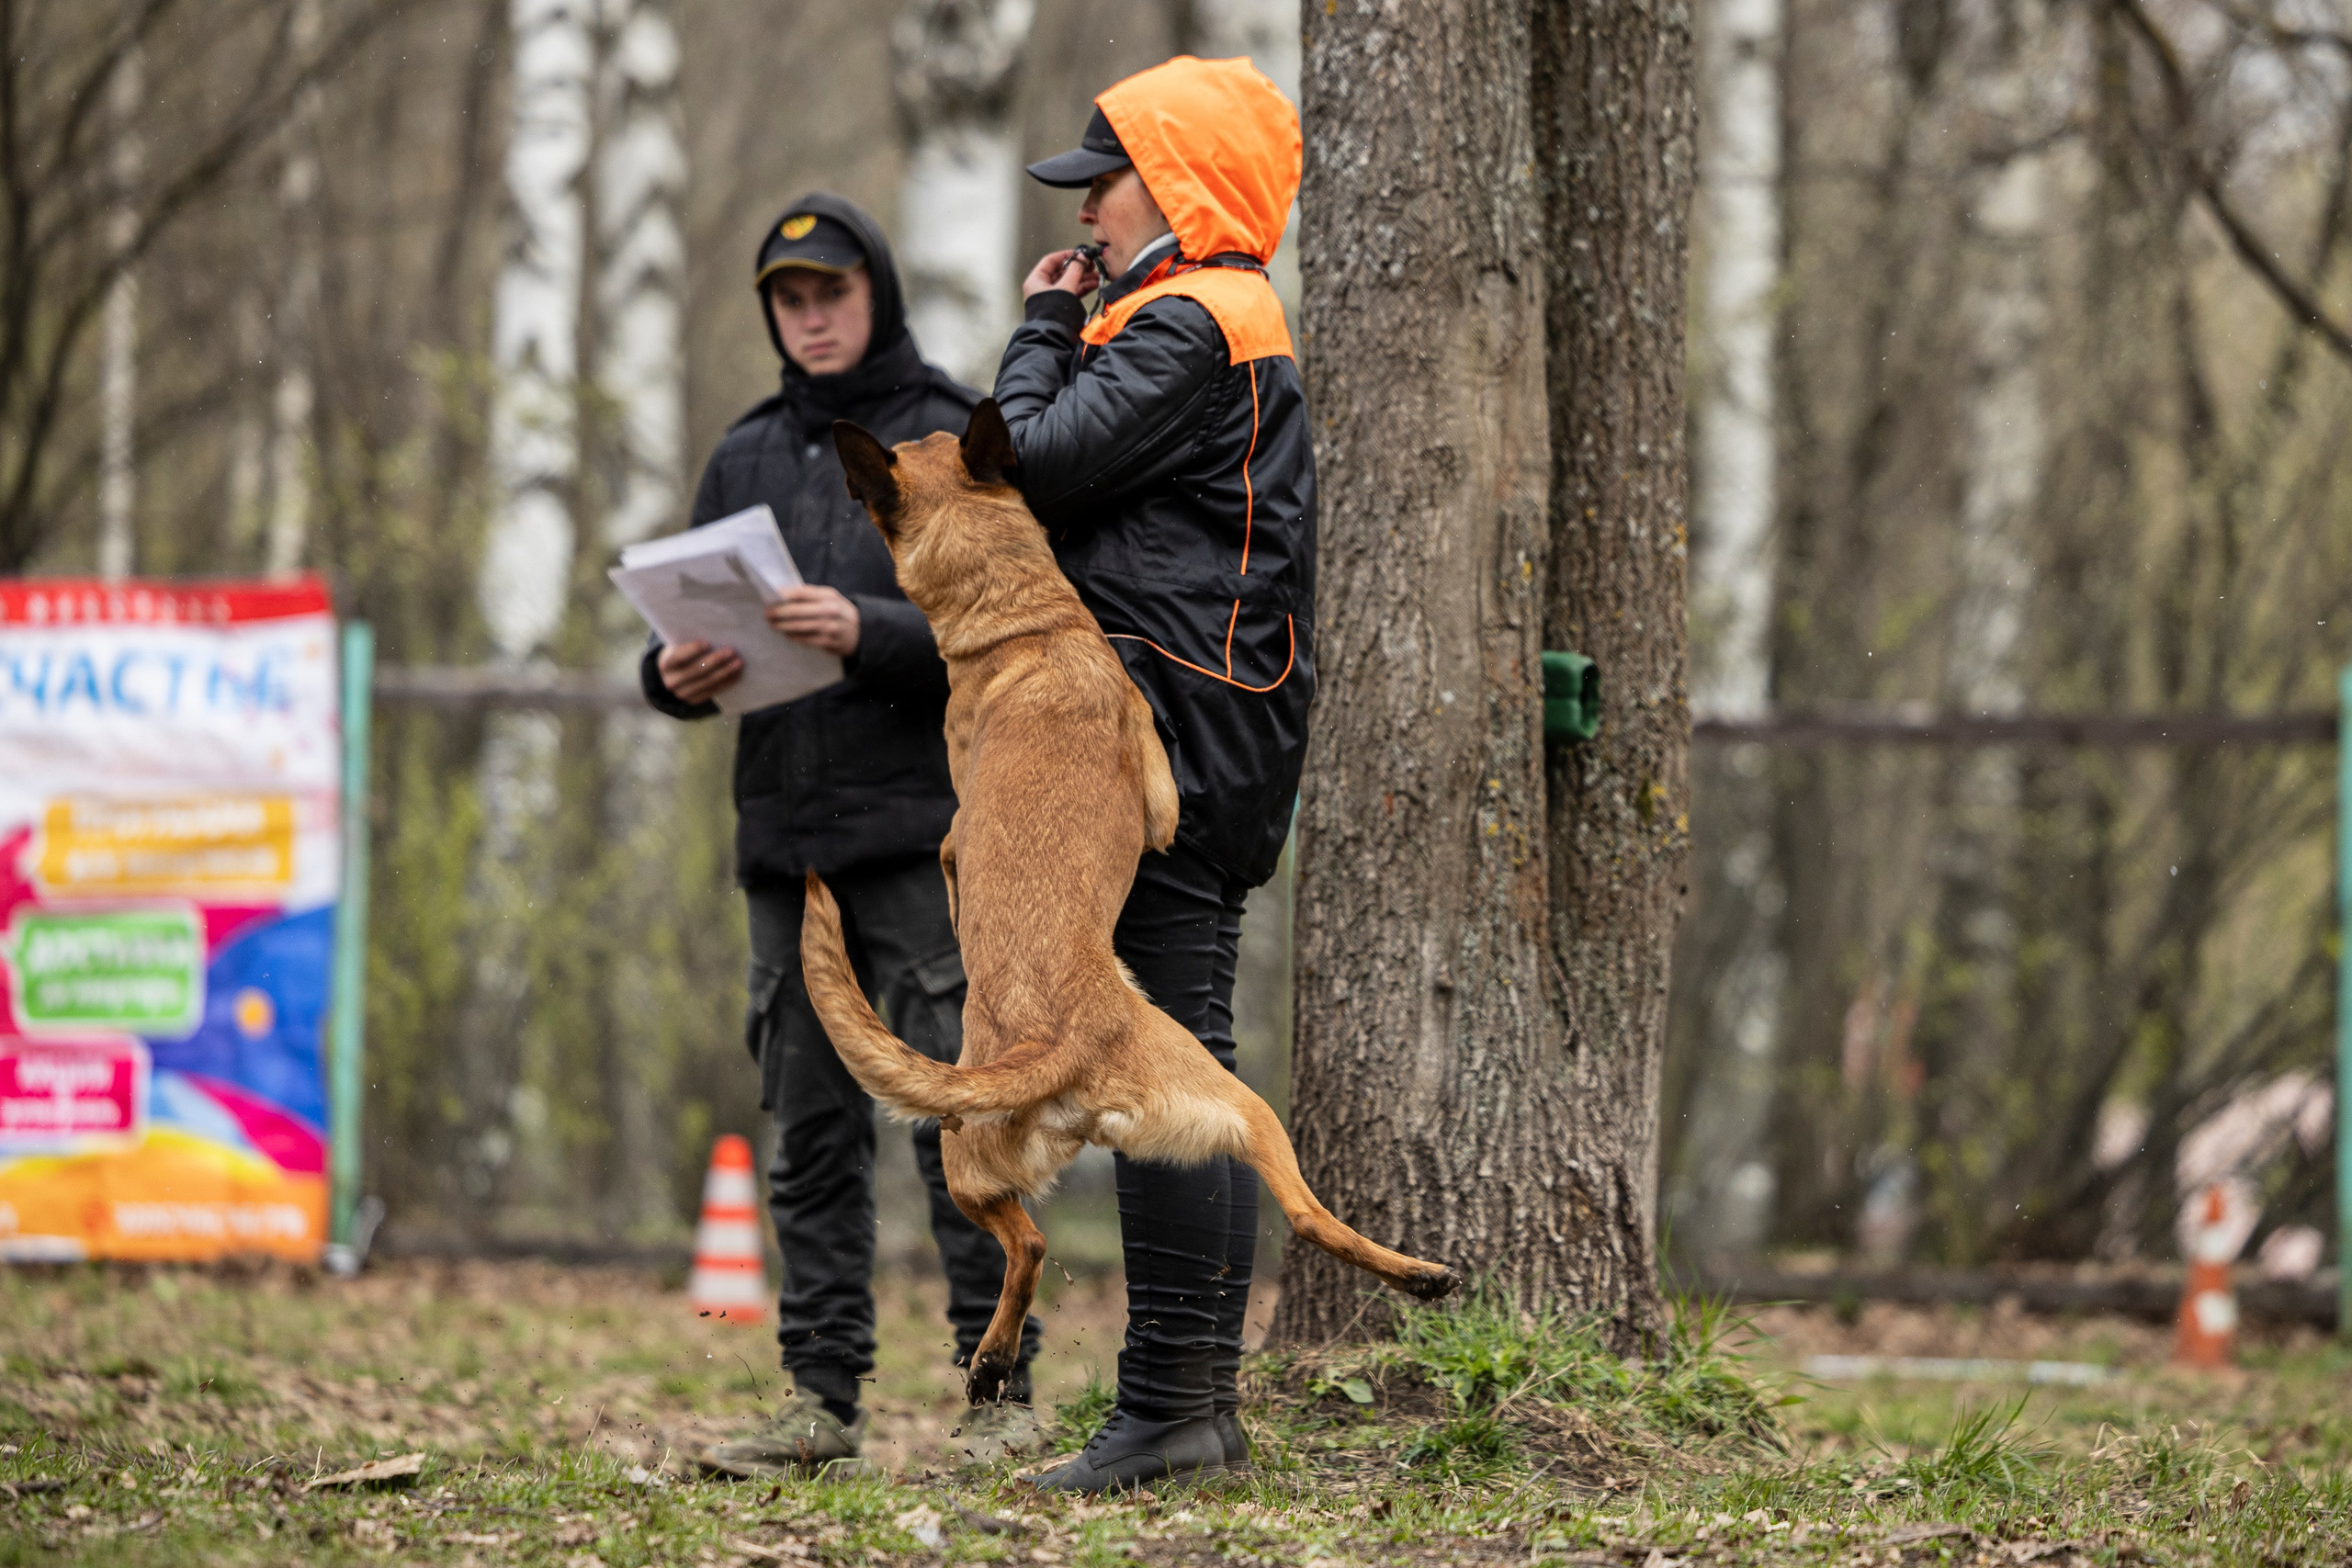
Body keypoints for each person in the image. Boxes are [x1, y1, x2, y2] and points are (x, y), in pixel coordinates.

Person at [642, 193, 1042, 1474]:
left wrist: (863, 630)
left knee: (954, 1127)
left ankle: (1000, 1402)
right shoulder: (745, 451)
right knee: (809, 1137)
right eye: (789, 300)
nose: (811, 319)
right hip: (784, 848)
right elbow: (669, 651)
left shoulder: (943, 429)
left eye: (831, 294)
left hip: (923, 840)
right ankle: (820, 1408)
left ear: (876, 292)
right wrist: (673, 677)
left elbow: (1008, 626)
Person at [992, 56, 1314, 1491]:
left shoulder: (1197, 319)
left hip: (1178, 747)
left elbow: (1029, 467)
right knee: (1164, 1057)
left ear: (1175, 187)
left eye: (1103, 185)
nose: (1092, 214)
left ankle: (1180, 1405)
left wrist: (1041, 326)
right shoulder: (1186, 319)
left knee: (1167, 1062)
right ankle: (1180, 1400)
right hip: (1180, 734)